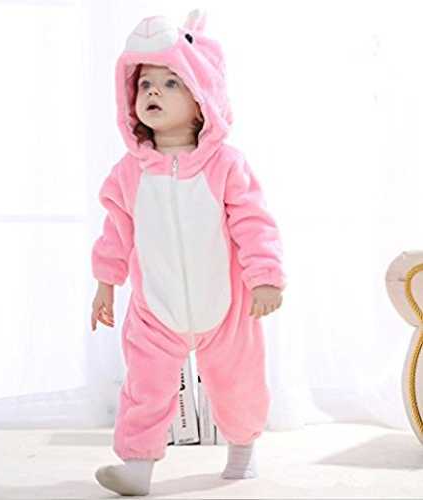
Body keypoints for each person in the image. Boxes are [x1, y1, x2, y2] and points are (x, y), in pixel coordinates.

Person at [91, 9, 287, 497]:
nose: (152, 92)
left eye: (170, 83)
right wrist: (105, 284)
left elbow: (253, 222)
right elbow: (116, 232)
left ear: (202, 100)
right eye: (144, 84)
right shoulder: (128, 173)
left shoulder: (226, 165)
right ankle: (137, 467)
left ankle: (242, 450)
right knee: (145, 387)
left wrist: (265, 277)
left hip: (227, 305)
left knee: (238, 382)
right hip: (155, 308)